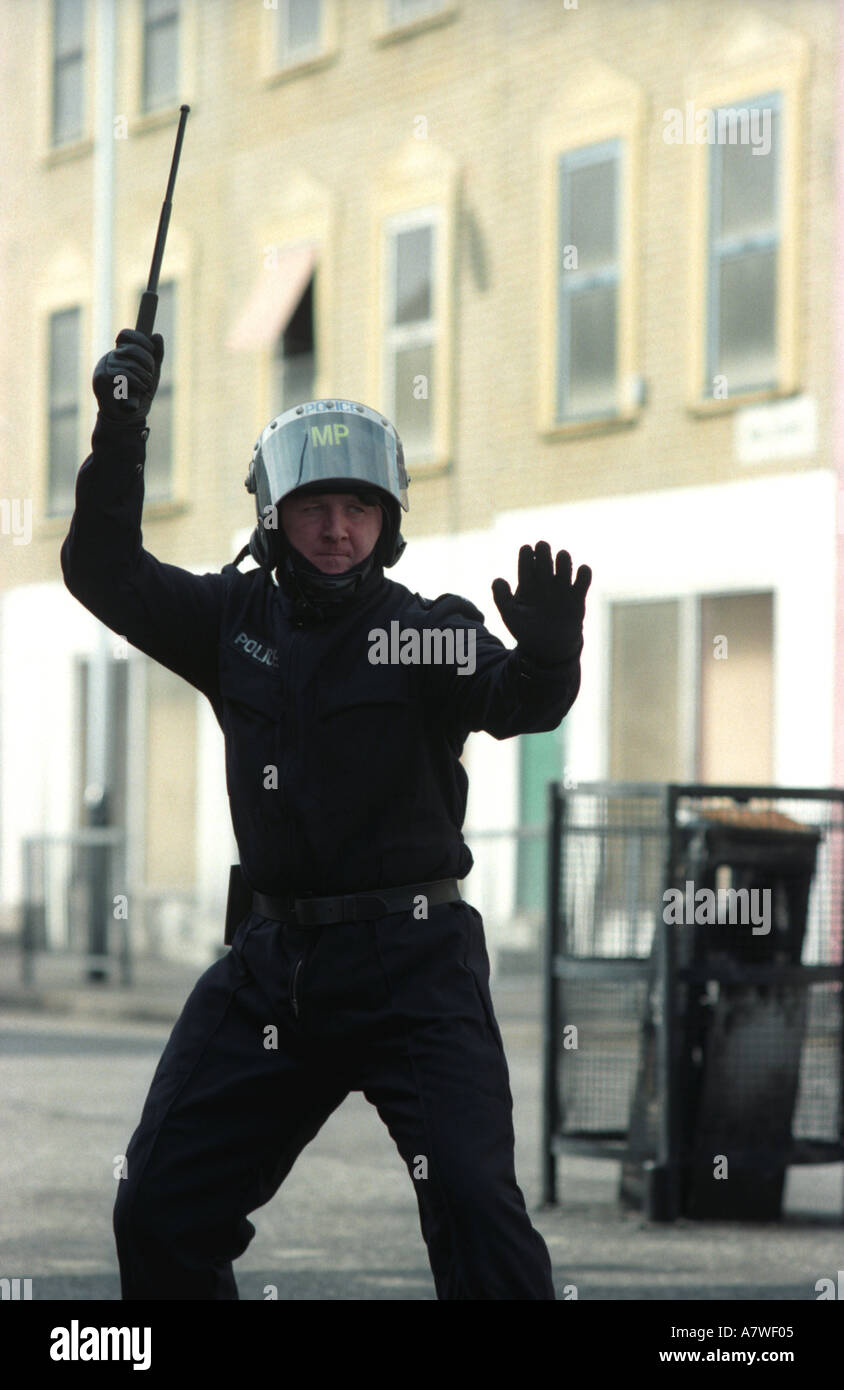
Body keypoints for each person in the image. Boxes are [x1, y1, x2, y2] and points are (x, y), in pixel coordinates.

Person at [61, 327, 592, 1301]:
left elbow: (513, 699)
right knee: (159, 1208)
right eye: (314, 506)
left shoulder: (422, 631)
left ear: (388, 523)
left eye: (359, 507)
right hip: (275, 972)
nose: (338, 528)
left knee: (477, 1211)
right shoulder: (230, 623)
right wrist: (122, 430)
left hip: (416, 969)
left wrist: (550, 657)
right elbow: (104, 570)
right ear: (274, 518)